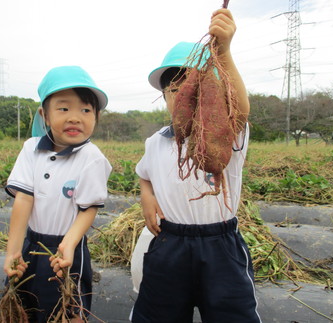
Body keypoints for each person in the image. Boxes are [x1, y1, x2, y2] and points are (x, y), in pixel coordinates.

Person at [131, 9, 261, 323]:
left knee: (232, 315)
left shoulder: (227, 133)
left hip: (221, 247)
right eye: (173, 90)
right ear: (164, 97)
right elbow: (143, 176)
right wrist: (147, 198)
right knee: (158, 315)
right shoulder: (156, 142)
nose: (183, 96)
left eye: (193, 86)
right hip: (170, 244)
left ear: (214, 93)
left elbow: (240, 109)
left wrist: (225, 52)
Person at [4, 66, 112, 322]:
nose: (75, 117)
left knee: (67, 311)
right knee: (23, 305)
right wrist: (13, 252)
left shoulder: (91, 157)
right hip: (31, 244)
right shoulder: (31, 149)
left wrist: (70, 243)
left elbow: (88, 208)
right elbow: (24, 198)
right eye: (63, 109)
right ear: (45, 116)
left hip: (66, 252)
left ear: (96, 116)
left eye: (85, 110)